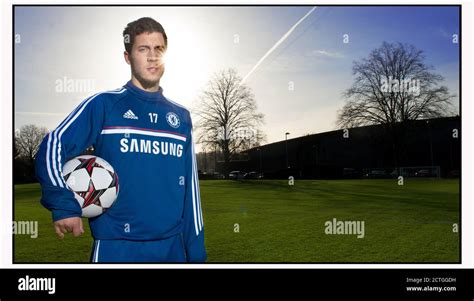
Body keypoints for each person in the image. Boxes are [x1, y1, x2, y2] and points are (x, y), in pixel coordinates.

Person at [35, 17, 206, 263]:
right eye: (143, 49)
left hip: (173, 248)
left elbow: (191, 191)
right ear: (128, 57)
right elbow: (53, 145)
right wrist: (62, 204)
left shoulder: (181, 117)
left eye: (159, 49)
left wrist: (196, 253)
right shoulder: (104, 104)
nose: (152, 56)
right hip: (117, 249)